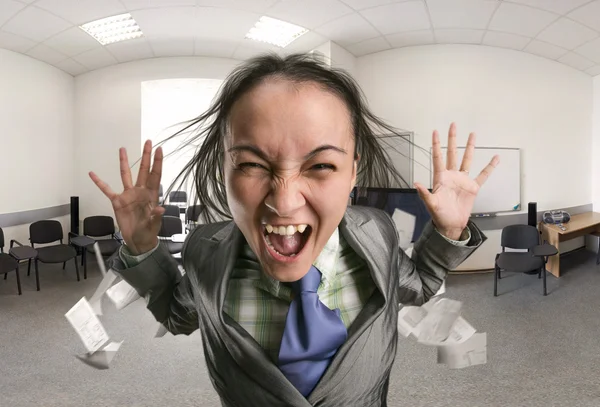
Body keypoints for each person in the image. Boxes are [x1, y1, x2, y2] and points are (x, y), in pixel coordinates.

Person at [90, 53, 498, 407]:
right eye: (251, 165)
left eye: (321, 165)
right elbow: (178, 317)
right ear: (225, 171)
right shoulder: (204, 252)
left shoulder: (378, 232)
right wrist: (143, 245)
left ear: (352, 172)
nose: (283, 203)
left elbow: (419, 286)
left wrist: (446, 229)